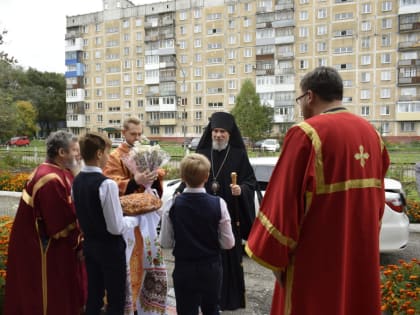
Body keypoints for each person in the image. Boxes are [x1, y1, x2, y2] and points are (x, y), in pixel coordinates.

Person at [245, 66, 390, 315]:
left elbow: (283, 203)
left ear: (309, 96)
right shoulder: (372, 134)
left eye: (300, 99)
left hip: (314, 262)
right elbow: (376, 202)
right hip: (357, 254)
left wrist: (275, 258)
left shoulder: (307, 134)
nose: (301, 106)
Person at [175, 111, 257, 310]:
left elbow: (250, 181)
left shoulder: (238, 154)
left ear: (229, 134)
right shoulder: (202, 152)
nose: (218, 135)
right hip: (200, 217)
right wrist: (179, 192)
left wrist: (242, 190)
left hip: (227, 213)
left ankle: (226, 299)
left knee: (226, 254)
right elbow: (187, 177)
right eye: (215, 131)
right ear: (210, 132)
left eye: (223, 132)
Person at [4, 130, 87, 315]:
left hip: (52, 247)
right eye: (74, 150)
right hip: (46, 250)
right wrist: (80, 243)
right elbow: (60, 225)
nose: (78, 154)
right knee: (50, 300)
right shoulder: (50, 179)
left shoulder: (60, 171)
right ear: (61, 152)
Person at [103, 117, 165, 314]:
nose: (137, 138)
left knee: (147, 261)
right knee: (129, 264)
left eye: (140, 134)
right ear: (123, 133)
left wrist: (154, 178)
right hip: (127, 221)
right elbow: (109, 181)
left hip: (145, 220)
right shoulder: (114, 156)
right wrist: (133, 181)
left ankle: (142, 303)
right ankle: (128, 303)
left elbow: (160, 175)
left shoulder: (146, 150)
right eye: (133, 134)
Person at [160, 153, 235, 315]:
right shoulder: (219, 203)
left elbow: (165, 241)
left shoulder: (172, 204)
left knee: (186, 310)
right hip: (211, 267)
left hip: (184, 267)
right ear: (207, 176)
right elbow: (228, 243)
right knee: (211, 309)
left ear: (182, 177)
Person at [72, 132, 138, 315]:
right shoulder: (107, 184)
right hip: (110, 248)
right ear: (100, 154)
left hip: (90, 245)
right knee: (116, 299)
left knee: (94, 295)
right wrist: (135, 219)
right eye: (108, 153)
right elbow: (115, 227)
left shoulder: (76, 181)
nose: (109, 157)